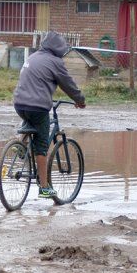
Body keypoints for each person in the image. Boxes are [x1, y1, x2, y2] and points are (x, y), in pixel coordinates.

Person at [12, 31, 86, 198]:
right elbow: (68, 84)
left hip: (19, 104)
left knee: (30, 122)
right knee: (42, 146)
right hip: (37, 106)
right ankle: (44, 188)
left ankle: (20, 145)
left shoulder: (33, 56)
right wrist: (80, 100)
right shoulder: (55, 62)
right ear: (59, 49)